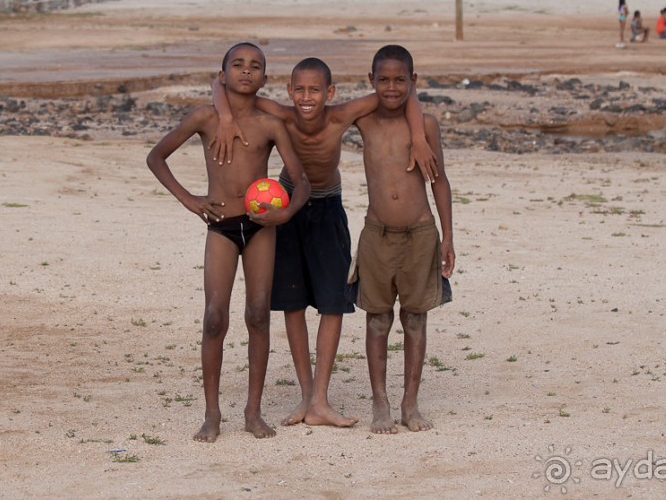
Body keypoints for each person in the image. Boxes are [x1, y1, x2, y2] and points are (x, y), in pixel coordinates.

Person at [210, 59, 437, 428]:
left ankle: (321, 399)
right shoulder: (281, 113)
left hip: (328, 205)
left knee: (333, 302)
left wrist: (420, 137)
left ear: (329, 93)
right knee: (293, 302)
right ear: (288, 91)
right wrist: (222, 118)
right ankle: (305, 395)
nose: (306, 97)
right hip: (285, 204)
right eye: (299, 89)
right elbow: (220, 85)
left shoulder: (342, 115)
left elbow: (405, 94)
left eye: (315, 90)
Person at [146, 42, 310, 443]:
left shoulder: (271, 125)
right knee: (215, 317)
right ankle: (212, 414)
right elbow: (156, 157)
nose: (246, 71)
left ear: (265, 79)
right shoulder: (205, 117)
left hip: (260, 227)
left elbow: (302, 181)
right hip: (219, 226)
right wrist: (191, 200)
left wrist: (284, 214)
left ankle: (253, 413)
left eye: (255, 66)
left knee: (257, 314)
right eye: (237, 65)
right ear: (222, 75)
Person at [350, 44, 455, 434]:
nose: (391, 88)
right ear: (370, 81)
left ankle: (410, 403)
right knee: (377, 319)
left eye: (400, 80)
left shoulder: (426, 126)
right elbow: (324, 117)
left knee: (415, 318)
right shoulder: (365, 120)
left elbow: (440, 181)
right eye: (382, 80)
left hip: (421, 232)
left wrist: (448, 236)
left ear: (414, 80)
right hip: (376, 233)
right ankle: (380, 402)